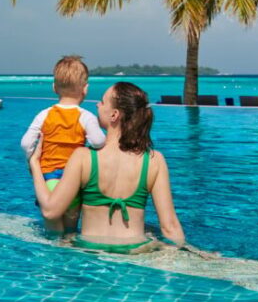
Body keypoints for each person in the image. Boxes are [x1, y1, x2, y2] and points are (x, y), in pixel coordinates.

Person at [30, 81, 185, 253]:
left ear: (114, 115)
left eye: (102, 101)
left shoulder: (83, 157)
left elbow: (51, 211)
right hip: (136, 252)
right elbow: (170, 227)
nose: (97, 104)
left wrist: (35, 164)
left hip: (89, 253)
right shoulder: (155, 160)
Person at [20, 55, 106, 230]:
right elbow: (98, 141)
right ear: (85, 89)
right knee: (71, 228)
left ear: (54, 88)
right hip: (72, 180)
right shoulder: (85, 116)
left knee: (52, 230)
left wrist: (31, 161)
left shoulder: (44, 115)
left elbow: (25, 143)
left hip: (48, 179)